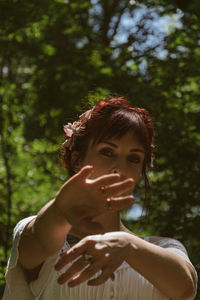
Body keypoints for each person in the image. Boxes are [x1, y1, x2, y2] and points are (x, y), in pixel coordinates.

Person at [3, 97, 197, 300]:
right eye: (107, 151)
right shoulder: (42, 235)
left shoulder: (164, 248)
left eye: (134, 158)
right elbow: (38, 239)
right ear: (77, 160)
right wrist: (61, 208)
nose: (120, 168)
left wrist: (128, 245)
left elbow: (186, 287)